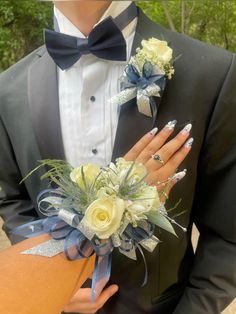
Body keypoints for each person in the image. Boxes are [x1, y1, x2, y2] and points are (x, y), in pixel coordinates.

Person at [0, 1, 235, 313]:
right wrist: (45, 276)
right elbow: (15, 202)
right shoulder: (8, 90)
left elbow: (228, 235)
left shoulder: (212, 73)